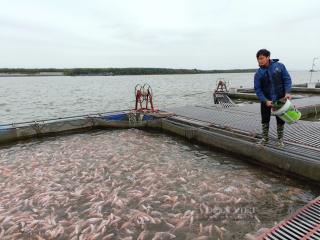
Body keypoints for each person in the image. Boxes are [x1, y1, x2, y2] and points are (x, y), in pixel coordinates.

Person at [254, 49, 292, 147]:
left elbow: (287, 79)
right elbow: (258, 90)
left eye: (261, 58)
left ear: (268, 57)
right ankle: (265, 139)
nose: (259, 61)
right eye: (258, 59)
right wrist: (265, 100)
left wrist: (287, 92)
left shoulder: (280, 66)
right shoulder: (258, 73)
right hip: (266, 100)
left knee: (280, 120)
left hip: (280, 98)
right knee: (265, 119)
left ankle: (280, 140)